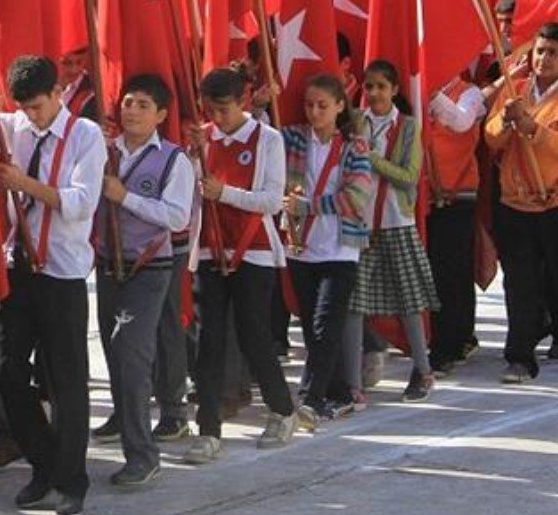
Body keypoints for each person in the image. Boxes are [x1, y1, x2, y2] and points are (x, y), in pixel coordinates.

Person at [0, 55, 106, 515]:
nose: (32, 117)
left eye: (39, 106)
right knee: (7, 374)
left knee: (66, 382)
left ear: (58, 94)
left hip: (61, 274)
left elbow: (81, 203)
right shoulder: (11, 126)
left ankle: (70, 480)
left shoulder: (86, 136)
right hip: (19, 269)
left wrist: (26, 184)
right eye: (24, 109)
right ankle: (44, 463)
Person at [184, 66, 298, 465]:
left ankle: (283, 410)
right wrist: (190, 159)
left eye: (224, 110)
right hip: (212, 250)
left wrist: (224, 192)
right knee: (209, 342)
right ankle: (208, 429)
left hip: (254, 251)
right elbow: (191, 195)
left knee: (253, 335)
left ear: (243, 102)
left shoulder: (267, 139)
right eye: (210, 110)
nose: (217, 118)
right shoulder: (203, 139)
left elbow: (271, 200)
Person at [91, 74, 193, 488]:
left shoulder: (173, 159)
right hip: (107, 265)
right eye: (128, 102)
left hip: (149, 270)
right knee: (116, 357)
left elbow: (177, 217)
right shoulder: (102, 151)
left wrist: (125, 197)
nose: (132, 110)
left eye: (143, 105)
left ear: (162, 115)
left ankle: (142, 454)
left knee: (133, 356)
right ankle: (130, 432)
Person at [344, 60, 439, 403]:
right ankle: (353, 382)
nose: (373, 94)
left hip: (396, 220)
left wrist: (372, 159)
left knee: (408, 300)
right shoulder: (356, 121)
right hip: (361, 221)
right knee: (355, 303)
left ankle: (424, 371)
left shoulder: (408, 127)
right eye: (368, 87)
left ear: (395, 90)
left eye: (381, 87)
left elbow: (409, 175)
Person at [281, 75, 373, 428]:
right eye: (309, 105)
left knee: (325, 324)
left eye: (323, 105)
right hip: (301, 246)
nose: (315, 112)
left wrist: (311, 206)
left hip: (340, 248)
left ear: (339, 106)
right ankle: (339, 392)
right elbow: (262, 134)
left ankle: (311, 397)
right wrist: (260, 102)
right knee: (309, 325)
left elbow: (357, 197)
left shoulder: (355, 147)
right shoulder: (293, 139)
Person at [483, 23, 558, 383]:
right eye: (540, 51)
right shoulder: (516, 90)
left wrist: (533, 129)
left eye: (553, 53)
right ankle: (519, 357)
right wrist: (505, 121)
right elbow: (491, 138)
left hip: (554, 202)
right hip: (515, 202)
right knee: (519, 282)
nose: (544, 59)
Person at [425, 72, 488, 374]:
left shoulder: (470, 93)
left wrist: (432, 94)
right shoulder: (417, 88)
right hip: (423, 195)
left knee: (453, 271)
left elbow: (461, 122)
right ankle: (446, 336)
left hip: (457, 193)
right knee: (434, 270)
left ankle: (450, 343)